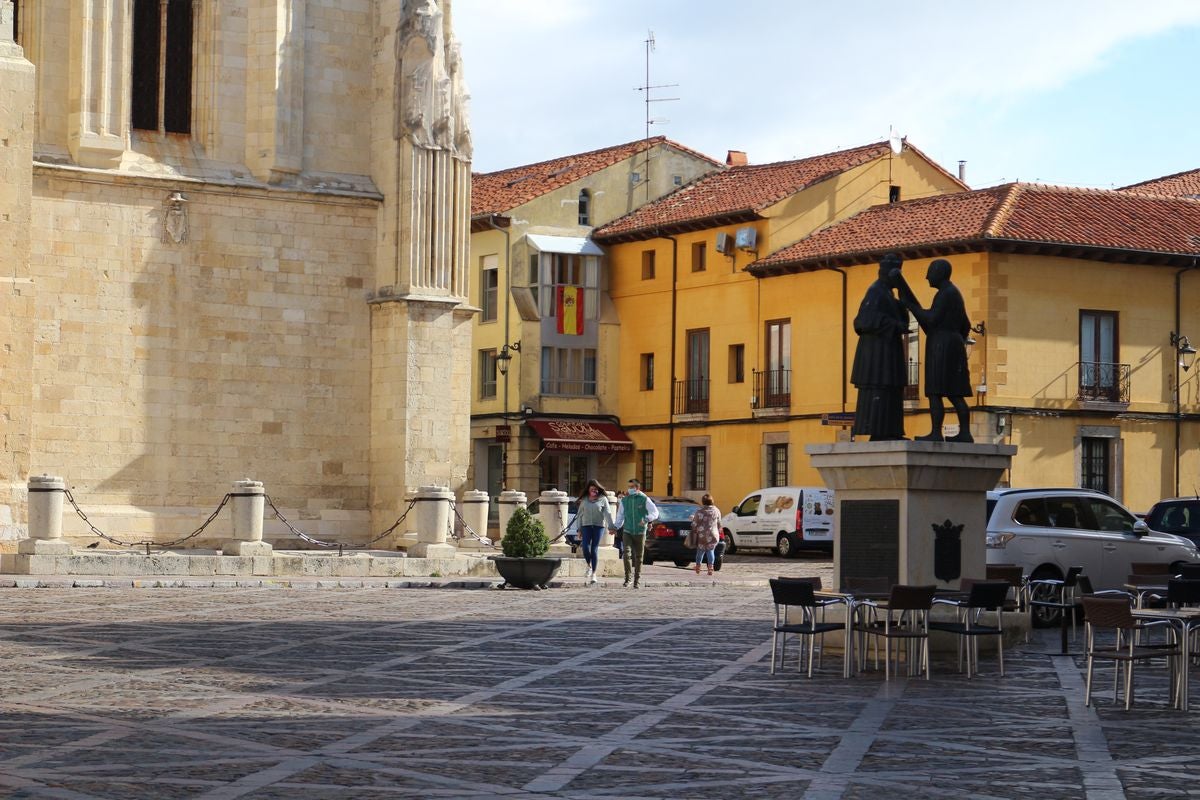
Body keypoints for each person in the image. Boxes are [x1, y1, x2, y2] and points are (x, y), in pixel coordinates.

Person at [893, 258, 973, 442]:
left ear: (939, 273)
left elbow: (931, 320)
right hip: (952, 343)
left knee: (935, 391)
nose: (926, 276)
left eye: (930, 271)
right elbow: (966, 325)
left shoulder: (946, 294)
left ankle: (936, 432)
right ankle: (965, 433)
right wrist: (957, 341)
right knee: (955, 393)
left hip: (941, 345)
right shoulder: (954, 293)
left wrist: (910, 305)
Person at [851, 253, 910, 441]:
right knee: (881, 388)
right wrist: (894, 325)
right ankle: (880, 432)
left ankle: (891, 431)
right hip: (877, 354)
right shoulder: (875, 292)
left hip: (887, 351)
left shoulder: (888, 294)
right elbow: (863, 320)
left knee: (890, 388)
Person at [613, 478, 658, 588]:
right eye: (628, 487)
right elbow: (620, 516)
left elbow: (655, 512)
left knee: (639, 556)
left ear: (637, 488)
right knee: (626, 554)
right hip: (627, 531)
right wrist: (615, 527)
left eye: (631, 487)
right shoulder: (625, 500)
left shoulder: (644, 499)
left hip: (640, 531)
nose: (629, 489)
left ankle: (637, 580)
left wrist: (647, 519)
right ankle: (628, 578)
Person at [573, 479, 614, 585]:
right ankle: (589, 566)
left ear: (598, 490)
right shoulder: (584, 500)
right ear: (588, 490)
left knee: (594, 549)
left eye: (596, 489)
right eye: (592, 489)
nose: (594, 491)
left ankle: (594, 574)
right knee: (585, 547)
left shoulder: (603, 499)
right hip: (586, 526)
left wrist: (611, 526)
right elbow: (579, 515)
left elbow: (608, 513)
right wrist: (579, 529)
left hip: (598, 527)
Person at [689, 494, 722, 576]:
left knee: (700, 551)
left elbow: (694, 523)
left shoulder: (700, 511)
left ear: (703, 502)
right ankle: (710, 568)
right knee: (710, 551)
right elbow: (719, 523)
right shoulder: (716, 510)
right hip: (713, 534)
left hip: (702, 535)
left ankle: (698, 567)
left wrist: (694, 527)